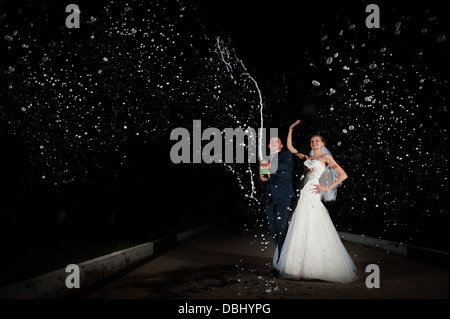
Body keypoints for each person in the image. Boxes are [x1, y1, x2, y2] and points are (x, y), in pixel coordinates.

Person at [274, 120, 358, 283]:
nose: (314, 143)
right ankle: (297, 266)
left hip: (314, 193)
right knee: (300, 225)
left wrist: (327, 188)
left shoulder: (326, 157)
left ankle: (318, 265)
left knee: (314, 225)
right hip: (303, 194)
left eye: (317, 141)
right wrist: (290, 129)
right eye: (312, 141)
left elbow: (343, 175)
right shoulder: (307, 157)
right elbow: (291, 148)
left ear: (322, 143)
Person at [259, 137, 295, 264]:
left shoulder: (287, 155)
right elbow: (263, 177)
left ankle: (283, 261)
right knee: (273, 229)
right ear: (268, 146)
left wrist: (270, 165)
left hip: (283, 197)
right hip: (269, 197)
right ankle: (280, 256)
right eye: (271, 142)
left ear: (281, 146)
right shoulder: (265, 159)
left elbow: (286, 167)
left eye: (277, 142)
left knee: (282, 228)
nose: (274, 143)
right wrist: (262, 178)